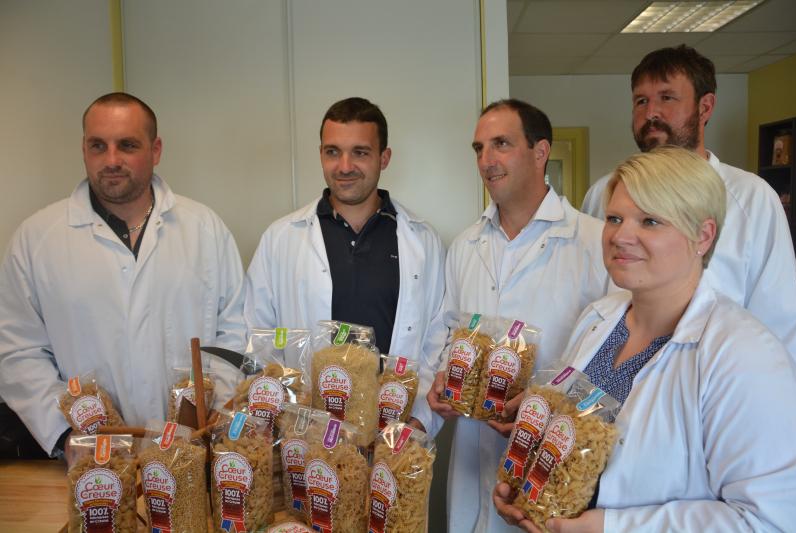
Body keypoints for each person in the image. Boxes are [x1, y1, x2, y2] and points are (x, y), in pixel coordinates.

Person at [496, 146, 796, 533]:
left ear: (703, 235)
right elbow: (577, 432)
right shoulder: (599, 319)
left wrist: (610, 527)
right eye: (615, 218)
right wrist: (525, 484)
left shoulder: (745, 356)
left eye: (650, 221)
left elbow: (772, 520)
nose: (621, 236)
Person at [0, 92, 246, 457]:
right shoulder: (37, 239)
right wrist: (65, 436)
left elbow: (234, 330)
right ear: (84, 149)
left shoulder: (205, 230)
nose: (111, 160)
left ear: (156, 149)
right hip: (92, 458)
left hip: (194, 453)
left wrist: (215, 411)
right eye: (98, 145)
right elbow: (19, 351)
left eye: (127, 145)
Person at [424, 99, 610, 532]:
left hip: (552, 467)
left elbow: (616, 366)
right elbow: (447, 340)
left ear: (540, 151)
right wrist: (439, 383)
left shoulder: (594, 243)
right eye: (479, 148)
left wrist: (551, 402)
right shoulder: (465, 247)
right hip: (472, 460)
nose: (486, 160)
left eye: (502, 144)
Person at [581, 44, 796, 361]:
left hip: (715, 380)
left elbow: (782, 322)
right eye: (641, 101)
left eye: (667, 98)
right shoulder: (605, 191)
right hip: (611, 376)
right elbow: (591, 292)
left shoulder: (751, 197)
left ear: (705, 107)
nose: (651, 112)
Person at [244, 97, 445, 432]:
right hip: (306, 432)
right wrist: (274, 414)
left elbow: (437, 337)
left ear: (384, 158)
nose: (345, 166)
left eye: (360, 152)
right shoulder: (281, 238)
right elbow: (257, 333)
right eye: (332, 151)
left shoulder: (423, 241)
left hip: (394, 430)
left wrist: (419, 421)